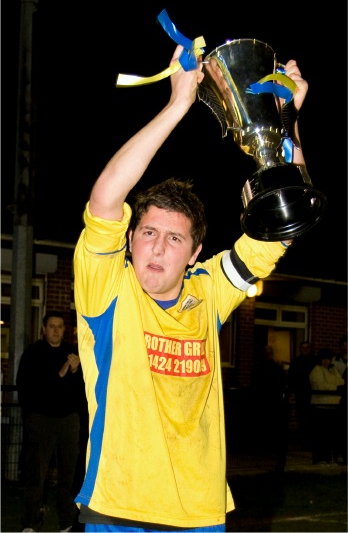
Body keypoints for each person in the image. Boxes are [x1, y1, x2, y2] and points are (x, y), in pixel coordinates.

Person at [73, 43, 309, 532]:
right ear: (132, 239)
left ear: (195, 252)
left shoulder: (210, 291)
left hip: (202, 514)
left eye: (174, 238)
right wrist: (178, 105)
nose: (157, 248)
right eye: (148, 233)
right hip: (119, 509)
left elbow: (285, 218)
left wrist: (286, 122)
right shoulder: (108, 290)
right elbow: (104, 199)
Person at [16, 310, 86, 532]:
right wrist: (64, 371)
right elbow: (32, 389)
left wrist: (75, 371)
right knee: (36, 474)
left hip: (68, 421)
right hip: (41, 420)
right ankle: (31, 523)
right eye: (52, 326)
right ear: (43, 329)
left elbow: (82, 392)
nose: (56, 330)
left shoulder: (72, 353)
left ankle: (67, 522)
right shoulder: (33, 355)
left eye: (60, 326)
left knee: (69, 474)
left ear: (65, 330)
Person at [251, 345, 287, 471]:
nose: (268, 355)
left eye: (270, 352)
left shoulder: (274, 367)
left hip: (272, 400)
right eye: (267, 352)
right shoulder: (261, 367)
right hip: (265, 400)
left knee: (271, 424)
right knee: (264, 424)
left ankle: (269, 447)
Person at [309, 347, 345, 466]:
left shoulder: (333, 370)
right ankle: (320, 458)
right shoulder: (316, 370)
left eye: (328, 359)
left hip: (333, 406)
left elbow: (342, 383)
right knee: (320, 435)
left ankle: (329, 458)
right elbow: (320, 386)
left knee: (331, 435)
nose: (326, 362)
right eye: (324, 359)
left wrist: (335, 387)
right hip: (320, 407)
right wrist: (335, 387)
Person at [287, 341, 316, 447]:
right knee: (302, 416)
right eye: (303, 348)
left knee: (311, 416)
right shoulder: (296, 361)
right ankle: (304, 438)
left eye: (307, 347)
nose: (305, 349)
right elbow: (291, 376)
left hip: (312, 392)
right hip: (301, 392)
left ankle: (309, 438)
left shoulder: (314, 361)